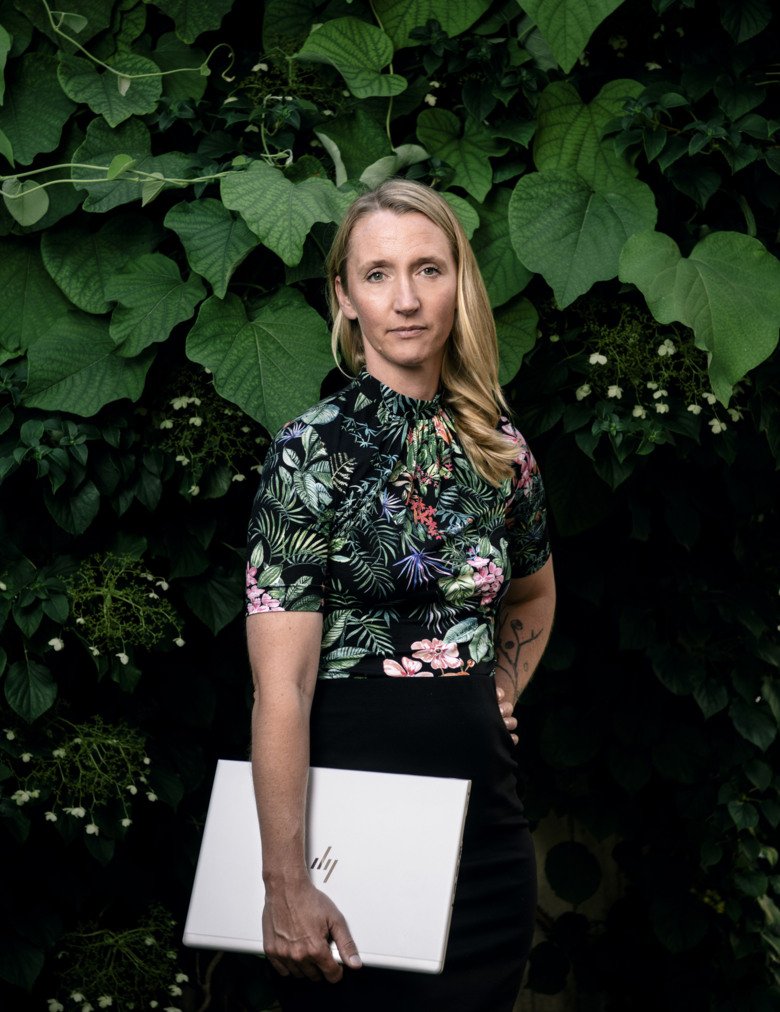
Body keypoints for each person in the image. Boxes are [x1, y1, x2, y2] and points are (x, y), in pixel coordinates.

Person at [245, 179, 556, 1012]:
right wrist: (285, 882)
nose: (408, 299)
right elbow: (284, 686)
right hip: (350, 836)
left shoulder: (501, 450)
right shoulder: (308, 452)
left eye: (429, 268)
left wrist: (502, 687)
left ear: (461, 282)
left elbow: (531, 594)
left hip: (484, 836)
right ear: (345, 298)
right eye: (378, 275)